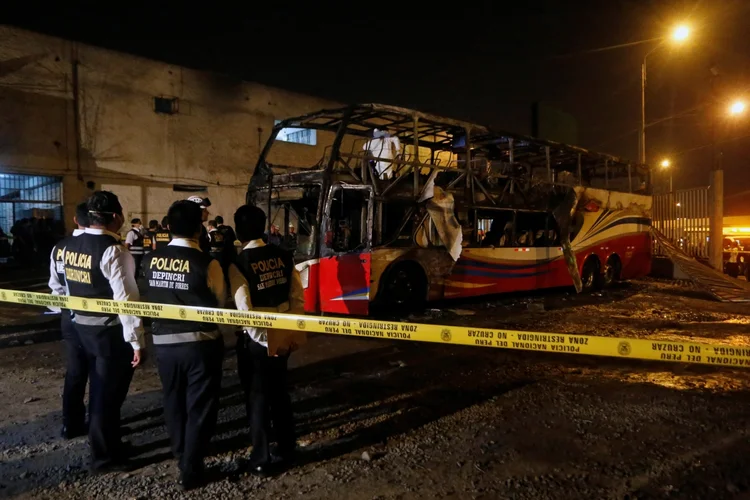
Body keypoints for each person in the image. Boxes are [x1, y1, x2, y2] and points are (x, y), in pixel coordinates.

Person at [144, 200, 226, 490]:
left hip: (163, 344)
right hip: (200, 344)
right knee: (200, 405)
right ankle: (191, 467)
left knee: (173, 398)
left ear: (167, 226)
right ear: (198, 227)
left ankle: (179, 449)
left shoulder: (149, 259)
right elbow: (218, 302)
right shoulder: (207, 262)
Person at [62, 190, 144, 473]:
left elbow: (65, 288)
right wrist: (135, 341)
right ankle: (104, 457)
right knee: (106, 395)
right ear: (115, 217)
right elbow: (126, 300)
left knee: (101, 392)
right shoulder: (114, 250)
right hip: (109, 334)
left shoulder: (69, 246)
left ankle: (109, 445)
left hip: (81, 328)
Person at [228, 204, 305, 476]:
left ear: (238, 232)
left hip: (256, 340)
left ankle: (261, 458)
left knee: (258, 398)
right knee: (281, 392)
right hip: (282, 331)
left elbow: (244, 309)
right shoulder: (284, 256)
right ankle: (287, 447)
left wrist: (261, 339)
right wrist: (291, 332)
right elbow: (297, 297)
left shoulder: (239, 263)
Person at [48, 202, 91, 439]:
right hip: (97, 320)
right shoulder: (98, 247)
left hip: (69, 317)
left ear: (76, 220)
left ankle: (70, 425)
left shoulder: (60, 248)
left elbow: (55, 286)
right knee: (99, 373)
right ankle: (99, 424)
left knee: (75, 373)